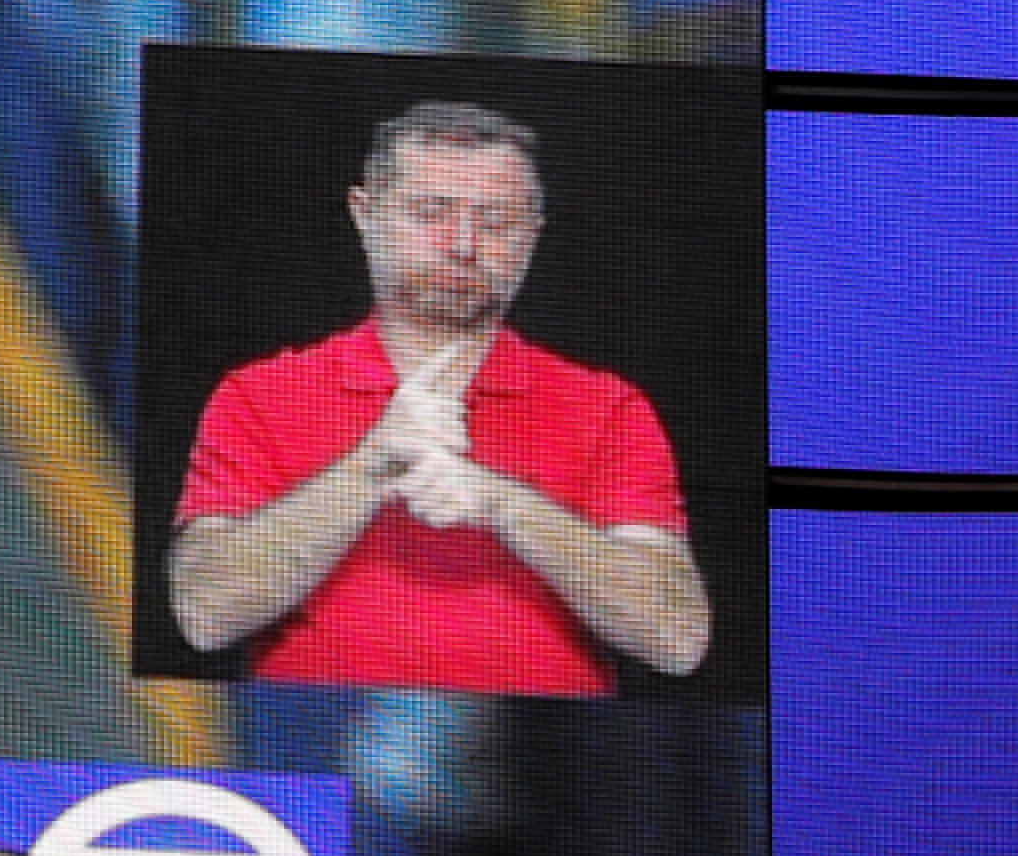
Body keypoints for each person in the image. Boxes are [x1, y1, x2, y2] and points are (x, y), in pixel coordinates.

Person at [161, 99, 708, 697]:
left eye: (496, 220)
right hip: (317, 750)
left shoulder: (609, 408)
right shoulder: (258, 394)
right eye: (429, 213)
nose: (463, 244)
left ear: (533, 234)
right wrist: (372, 467)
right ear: (364, 215)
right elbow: (204, 614)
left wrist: (497, 500)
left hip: (540, 758)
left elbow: (676, 637)